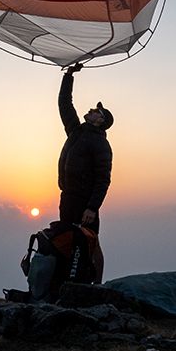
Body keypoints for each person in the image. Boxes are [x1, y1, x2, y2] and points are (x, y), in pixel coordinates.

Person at [57, 63, 113, 234]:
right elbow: (65, 104)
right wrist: (69, 75)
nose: (91, 109)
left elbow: (103, 179)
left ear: (100, 121)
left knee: (84, 250)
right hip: (67, 199)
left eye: (97, 111)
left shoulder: (101, 144)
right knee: (65, 246)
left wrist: (92, 208)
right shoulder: (77, 131)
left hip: (85, 206)